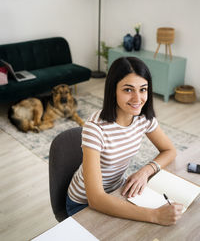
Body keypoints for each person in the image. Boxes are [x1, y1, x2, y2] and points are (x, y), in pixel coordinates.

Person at [67, 57, 183, 225]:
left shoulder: (143, 118)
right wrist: (155, 216)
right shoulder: (95, 128)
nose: (137, 99)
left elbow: (170, 150)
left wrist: (145, 171)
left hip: (117, 190)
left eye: (143, 89)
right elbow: (96, 199)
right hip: (83, 204)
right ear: (113, 90)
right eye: (128, 90)